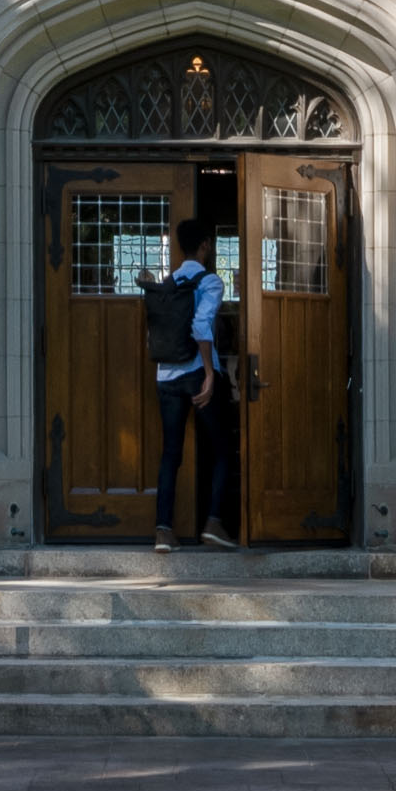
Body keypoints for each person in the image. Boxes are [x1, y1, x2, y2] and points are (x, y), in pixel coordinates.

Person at [147, 217, 246, 551]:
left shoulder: (168, 282)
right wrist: (207, 374)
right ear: (205, 245)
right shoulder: (211, 282)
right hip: (195, 374)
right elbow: (201, 327)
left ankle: (163, 531)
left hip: (166, 376)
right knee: (221, 450)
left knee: (170, 454)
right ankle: (214, 523)